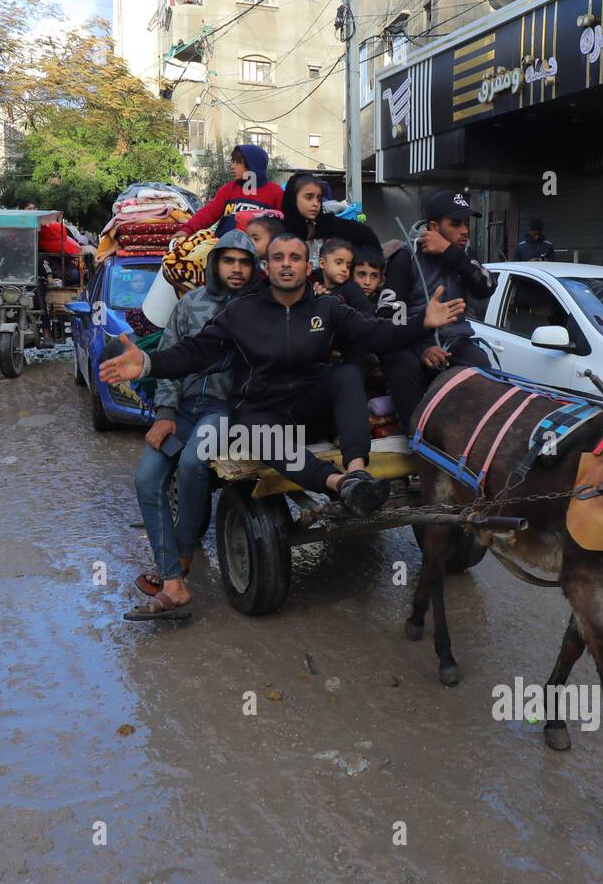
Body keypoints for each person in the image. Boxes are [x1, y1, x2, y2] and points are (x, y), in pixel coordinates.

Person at [100, 233, 464, 517]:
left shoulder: (328, 308)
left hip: (309, 408)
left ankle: (357, 471)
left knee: (346, 374)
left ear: (308, 267)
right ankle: (341, 485)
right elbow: (195, 352)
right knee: (253, 431)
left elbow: (378, 334)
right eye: (278, 258)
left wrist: (423, 323)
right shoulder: (241, 312)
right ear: (268, 268)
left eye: (295, 258)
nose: (286, 265)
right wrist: (148, 364)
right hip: (262, 413)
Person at [129, 231, 260, 620]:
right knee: (146, 479)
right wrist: (166, 412)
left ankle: (182, 555)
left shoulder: (257, 308)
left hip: (220, 409)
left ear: (254, 268)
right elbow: (169, 356)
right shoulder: (190, 304)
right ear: (214, 263)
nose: (236, 269)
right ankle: (172, 576)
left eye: (244, 262)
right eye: (228, 261)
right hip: (182, 408)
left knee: (191, 464)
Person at [379, 190, 497, 432]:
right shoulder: (405, 258)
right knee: (400, 364)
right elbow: (388, 321)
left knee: (480, 361)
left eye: (466, 223)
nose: (464, 230)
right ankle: (418, 441)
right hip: (412, 346)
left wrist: (450, 252)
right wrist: (422, 349)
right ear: (433, 226)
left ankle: (478, 442)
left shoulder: (462, 253)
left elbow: (487, 287)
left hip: (454, 343)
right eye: (455, 224)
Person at [179, 144, 284, 237]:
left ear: (253, 165)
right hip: (223, 248)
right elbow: (208, 213)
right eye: (232, 162)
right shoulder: (228, 190)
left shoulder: (275, 193)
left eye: (238, 163)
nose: (232, 166)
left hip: (257, 254)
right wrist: (186, 230)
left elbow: (284, 225)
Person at [281, 172, 381, 265]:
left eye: (319, 199)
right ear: (293, 199)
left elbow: (367, 236)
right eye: (309, 197)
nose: (316, 204)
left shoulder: (330, 226)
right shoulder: (280, 232)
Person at [311, 237, 373, 316]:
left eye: (348, 266)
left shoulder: (352, 289)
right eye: (339, 263)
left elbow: (367, 316)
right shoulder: (316, 288)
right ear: (322, 263)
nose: (344, 269)